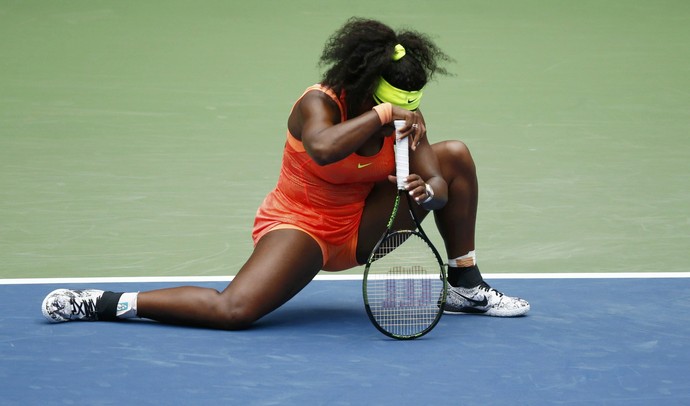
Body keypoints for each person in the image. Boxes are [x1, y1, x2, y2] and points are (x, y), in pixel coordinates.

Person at [41, 18, 529, 329]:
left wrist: (430, 191)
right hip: (302, 229)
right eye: (389, 104)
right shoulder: (318, 104)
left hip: (366, 227)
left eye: (406, 107)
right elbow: (321, 149)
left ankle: (465, 284)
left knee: (455, 155)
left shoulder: (406, 120)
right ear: (364, 88)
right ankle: (104, 303)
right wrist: (383, 119)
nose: (402, 114)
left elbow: (440, 185)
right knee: (234, 311)